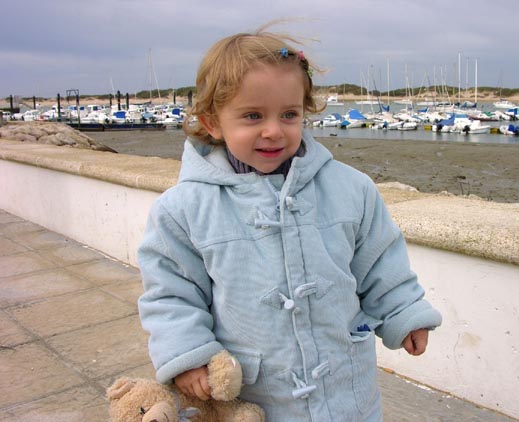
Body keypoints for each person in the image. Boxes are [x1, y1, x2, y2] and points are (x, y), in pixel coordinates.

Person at [137, 25, 442, 421]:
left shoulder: (351, 189)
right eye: (252, 116)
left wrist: (404, 312)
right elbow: (171, 294)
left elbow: (381, 263)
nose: (273, 131)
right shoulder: (182, 209)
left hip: (347, 390)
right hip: (262, 395)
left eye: (289, 115)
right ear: (212, 122)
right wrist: (188, 354)